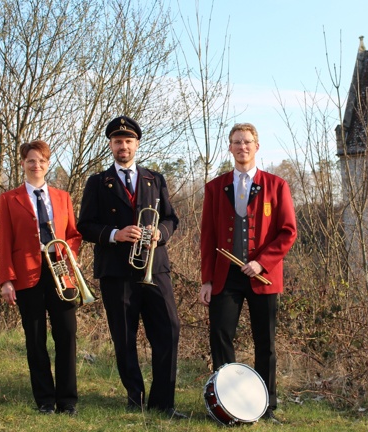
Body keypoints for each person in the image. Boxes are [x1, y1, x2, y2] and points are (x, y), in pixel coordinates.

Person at [77, 115, 185, 419]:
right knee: (124, 336)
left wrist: (160, 234)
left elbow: (171, 218)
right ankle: (134, 398)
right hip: (116, 271)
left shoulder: (155, 179)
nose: (122, 146)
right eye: (117, 141)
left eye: (128, 141)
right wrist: (115, 234)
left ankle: (163, 403)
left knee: (169, 329)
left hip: (155, 267)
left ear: (136, 144)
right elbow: (85, 225)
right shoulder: (98, 182)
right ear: (111, 145)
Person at [199, 122, 297, 424]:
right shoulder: (215, 187)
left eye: (247, 142)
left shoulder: (277, 185)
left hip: (263, 277)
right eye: (237, 142)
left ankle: (266, 407)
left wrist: (262, 262)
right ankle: (227, 404)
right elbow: (208, 237)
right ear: (230, 147)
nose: (242, 147)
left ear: (257, 146)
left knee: (265, 343)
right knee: (220, 336)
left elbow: (288, 231)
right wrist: (206, 279)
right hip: (224, 275)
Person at [0, 139, 82, 416]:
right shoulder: (9, 199)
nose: (37, 165)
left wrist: (70, 255)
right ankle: (45, 400)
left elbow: (73, 234)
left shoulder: (62, 196)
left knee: (67, 334)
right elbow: (4, 241)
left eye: (42, 161)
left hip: (60, 271)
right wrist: (6, 280)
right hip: (27, 274)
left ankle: (67, 401)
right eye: (31, 160)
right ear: (23, 163)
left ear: (48, 164)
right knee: (35, 339)